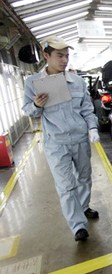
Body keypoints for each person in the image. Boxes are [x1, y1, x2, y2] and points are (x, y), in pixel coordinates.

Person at [22, 36, 100, 242]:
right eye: (59, 56)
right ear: (46, 56)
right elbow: (29, 112)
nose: (64, 60)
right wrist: (37, 105)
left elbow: (87, 108)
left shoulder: (77, 81)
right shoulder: (33, 84)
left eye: (67, 56)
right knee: (66, 185)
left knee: (84, 177)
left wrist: (92, 128)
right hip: (56, 143)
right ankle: (78, 226)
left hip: (80, 138)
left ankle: (83, 207)